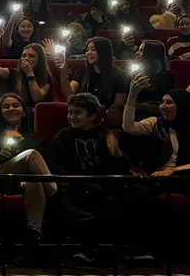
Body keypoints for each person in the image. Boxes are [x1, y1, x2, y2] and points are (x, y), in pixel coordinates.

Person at [45, 93, 142, 265]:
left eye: (77, 113)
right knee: (94, 192)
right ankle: (89, 248)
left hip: (106, 180)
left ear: (91, 115)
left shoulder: (105, 134)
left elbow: (122, 165)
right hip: (78, 182)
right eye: (70, 112)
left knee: (139, 193)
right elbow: (52, 162)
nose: (72, 117)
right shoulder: (64, 135)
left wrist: (117, 154)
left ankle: (131, 248)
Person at [0, 93, 65, 266]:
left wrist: (22, 142)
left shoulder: (35, 137)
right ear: (0, 112)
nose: (11, 108)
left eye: (16, 105)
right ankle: (57, 196)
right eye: (6, 106)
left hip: (25, 182)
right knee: (30, 155)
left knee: (33, 183)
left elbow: (44, 162)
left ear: (24, 112)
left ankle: (32, 241)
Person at [0, 34, 54, 107]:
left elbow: (37, 97)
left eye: (31, 56)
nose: (26, 58)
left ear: (39, 60)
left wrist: (29, 73)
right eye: (24, 55)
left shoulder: (45, 76)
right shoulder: (13, 73)